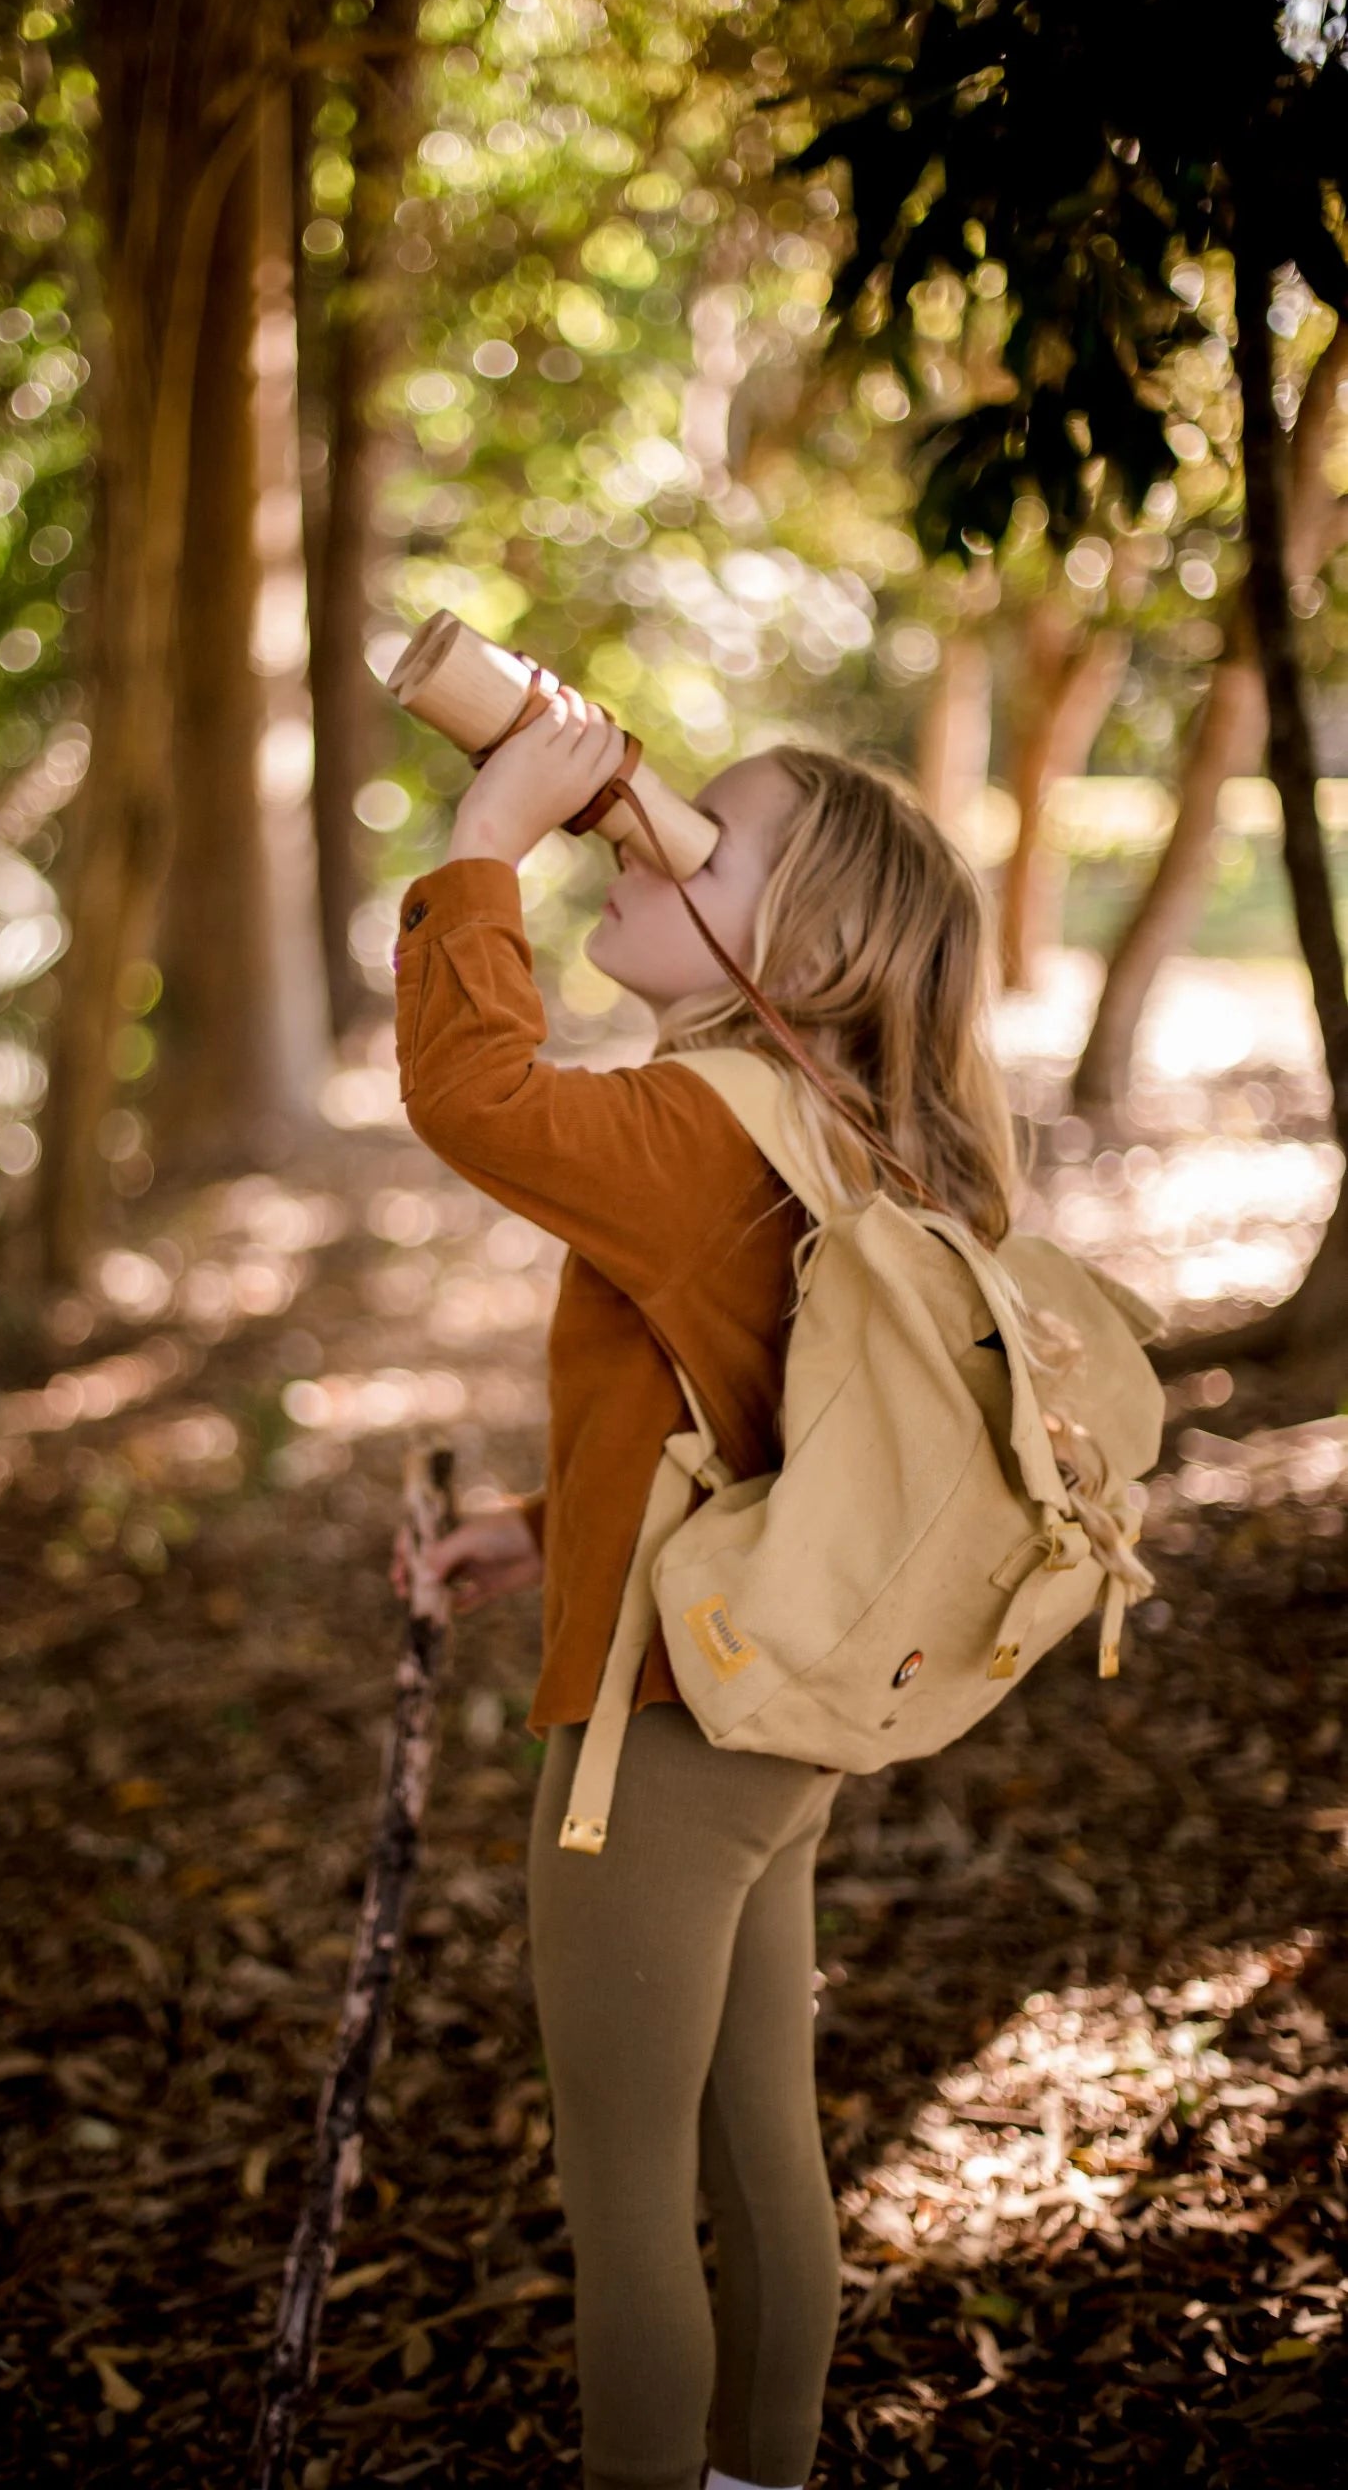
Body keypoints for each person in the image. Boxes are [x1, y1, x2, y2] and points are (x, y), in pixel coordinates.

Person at [387, 684, 1022, 2490]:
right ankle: (768, 2472)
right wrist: (538, 1519)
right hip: (765, 1711)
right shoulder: (818, 1116)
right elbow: (741, 1401)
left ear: (802, 945)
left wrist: (487, 835)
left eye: (701, 833)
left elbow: (472, 1095)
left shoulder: (699, 1117)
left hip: (661, 1741)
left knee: (628, 2202)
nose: (637, 823)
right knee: (759, 2143)